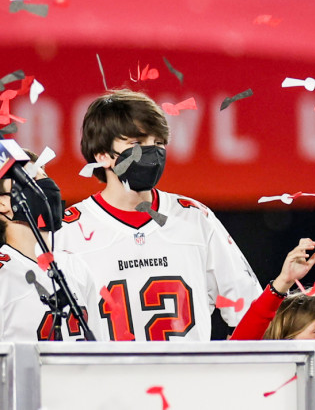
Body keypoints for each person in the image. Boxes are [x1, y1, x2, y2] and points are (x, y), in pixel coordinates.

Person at [55, 89, 260, 341]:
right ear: (102, 155)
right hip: (106, 379)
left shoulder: (195, 219)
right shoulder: (67, 231)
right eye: (137, 143)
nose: (152, 152)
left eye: (158, 143)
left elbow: (248, 310)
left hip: (187, 378)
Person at [0, 147, 98, 341]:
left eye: (44, 175)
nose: (46, 185)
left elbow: (99, 351)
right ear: (2, 204)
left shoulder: (74, 265)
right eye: (32, 179)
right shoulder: (3, 275)